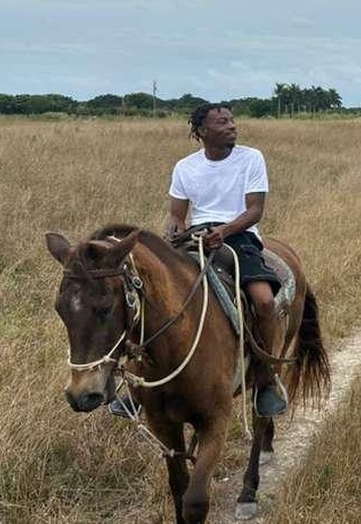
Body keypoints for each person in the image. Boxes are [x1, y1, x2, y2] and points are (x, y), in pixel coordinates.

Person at [109, 102, 287, 418]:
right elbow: (176, 215)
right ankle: (137, 389)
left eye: (232, 120)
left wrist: (223, 231)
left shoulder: (250, 158)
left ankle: (265, 378)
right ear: (202, 131)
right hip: (195, 237)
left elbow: (255, 211)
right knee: (150, 298)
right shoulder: (185, 167)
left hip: (239, 238)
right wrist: (173, 235)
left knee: (262, 301)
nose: (232, 125)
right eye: (222, 122)